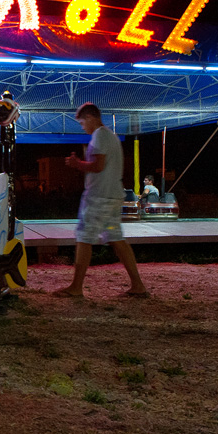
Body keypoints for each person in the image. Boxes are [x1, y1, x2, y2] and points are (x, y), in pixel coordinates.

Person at [56, 103, 148, 298]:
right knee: (116, 238)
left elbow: (98, 166)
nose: (82, 127)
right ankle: (138, 285)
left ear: (90, 118)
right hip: (113, 196)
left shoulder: (99, 135)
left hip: (99, 197)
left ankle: (76, 287)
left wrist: (76, 164)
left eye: (82, 122)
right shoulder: (111, 136)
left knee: (84, 237)